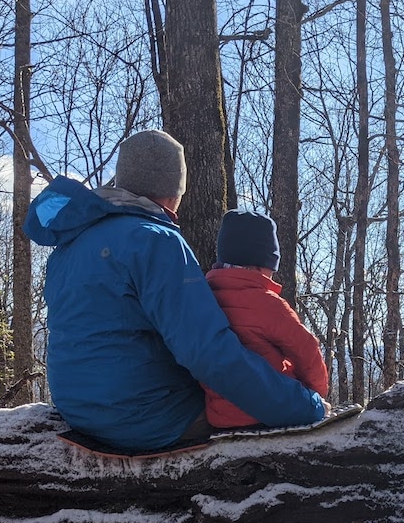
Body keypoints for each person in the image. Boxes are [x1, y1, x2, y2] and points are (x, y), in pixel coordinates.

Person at [22, 129, 325, 452]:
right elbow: (209, 353)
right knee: (237, 412)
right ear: (171, 191)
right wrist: (304, 405)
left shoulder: (71, 243)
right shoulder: (155, 241)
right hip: (147, 418)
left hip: (79, 411)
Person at [202, 208, 330, 428]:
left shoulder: (205, 299)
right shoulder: (266, 303)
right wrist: (316, 395)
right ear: (263, 265)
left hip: (221, 415)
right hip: (272, 410)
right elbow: (306, 348)